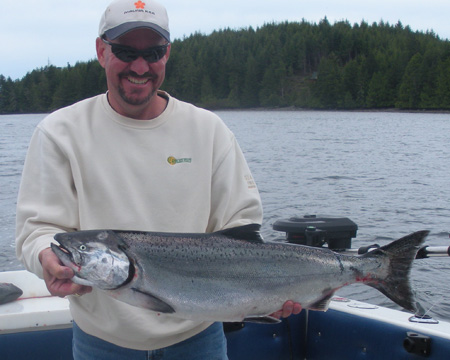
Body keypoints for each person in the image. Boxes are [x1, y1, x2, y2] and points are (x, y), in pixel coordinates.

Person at [15, 0, 302, 358]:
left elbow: (241, 226)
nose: (140, 66)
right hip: (102, 343)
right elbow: (38, 228)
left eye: (153, 52)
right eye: (124, 51)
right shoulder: (60, 132)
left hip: (199, 340)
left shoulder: (208, 130)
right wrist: (45, 254)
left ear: (167, 54)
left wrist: (265, 293)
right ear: (101, 51)